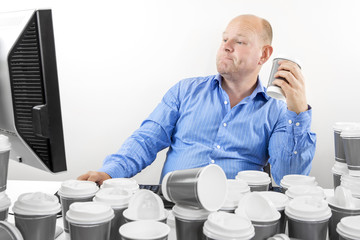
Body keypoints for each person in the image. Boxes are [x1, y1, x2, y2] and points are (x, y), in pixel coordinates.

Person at [78, 14, 316, 186]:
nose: (226, 47)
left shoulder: (277, 111)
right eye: (224, 40)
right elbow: (145, 140)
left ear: (264, 54)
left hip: (238, 214)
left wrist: (298, 112)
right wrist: (110, 173)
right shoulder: (185, 91)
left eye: (239, 42)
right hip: (174, 206)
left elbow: (289, 180)